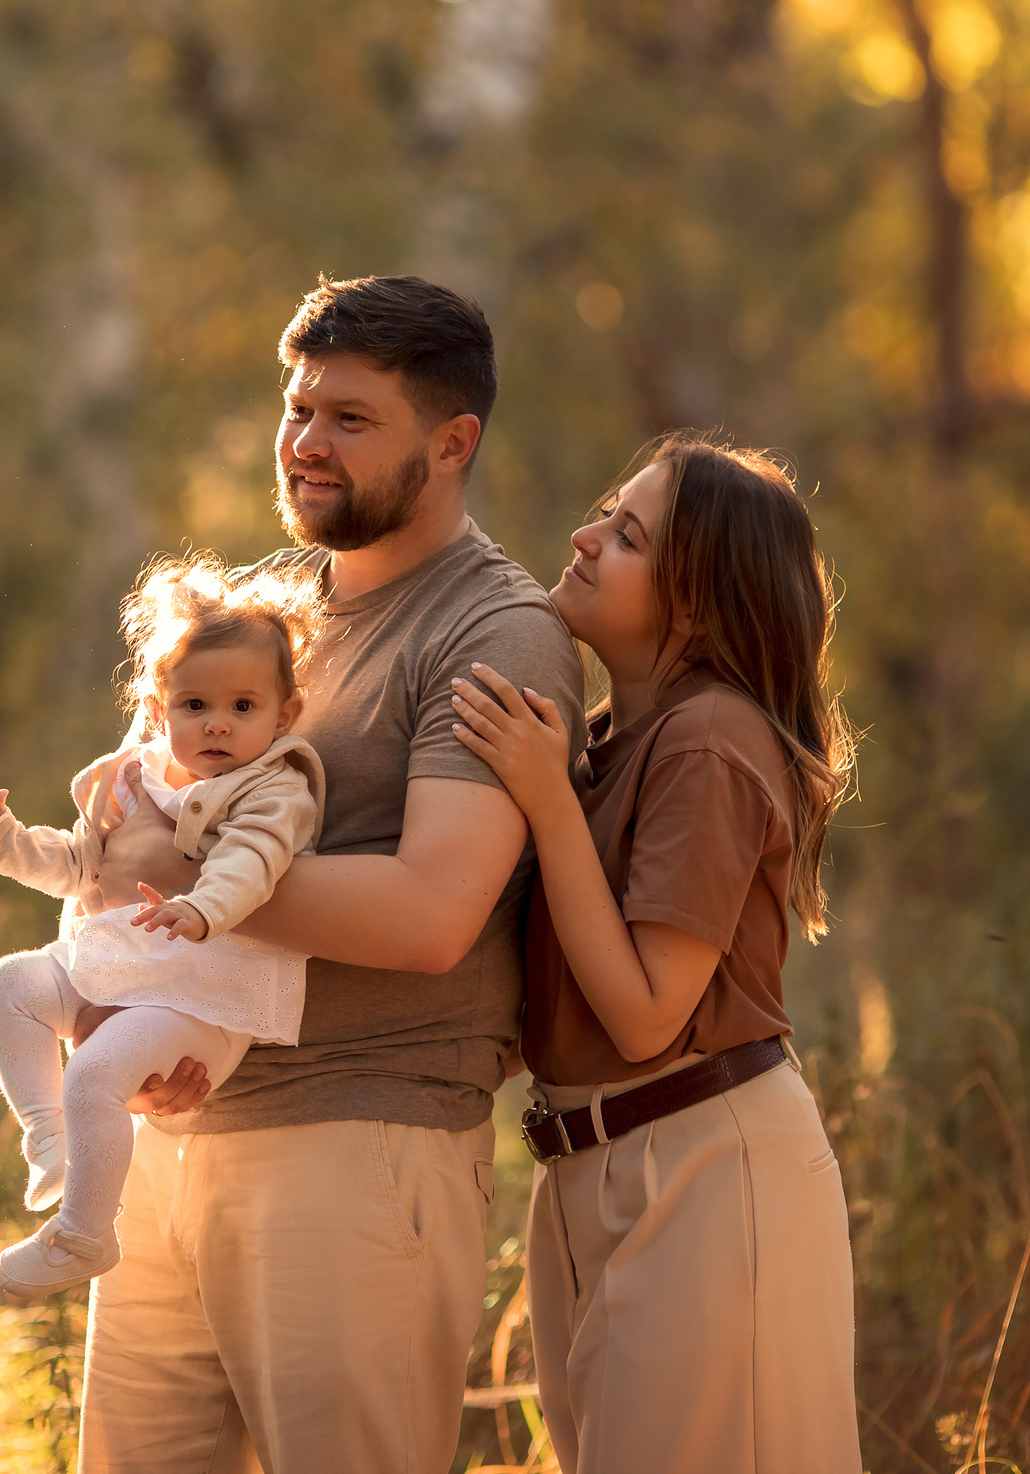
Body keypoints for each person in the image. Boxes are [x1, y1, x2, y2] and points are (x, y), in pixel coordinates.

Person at [79, 275, 586, 1474]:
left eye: (349, 418)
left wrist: (170, 853)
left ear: (452, 442)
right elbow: (147, 810)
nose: (304, 443)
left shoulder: (492, 632)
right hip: (172, 1133)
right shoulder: (265, 614)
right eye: (297, 408)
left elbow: (428, 914)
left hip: (358, 1143)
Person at [447, 431, 861, 1473]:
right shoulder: (596, 741)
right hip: (587, 1169)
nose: (584, 537)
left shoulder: (710, 739)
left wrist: (546, 800)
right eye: (604, 510)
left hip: (703, 1168)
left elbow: (643, 1012)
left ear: (696, 602)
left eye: (627, 534)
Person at [0, 557, 326, 1299]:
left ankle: (84, 1234)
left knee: (95, 1073)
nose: (217, 722)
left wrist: (204, 906)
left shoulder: (273, 787)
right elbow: (75, 866)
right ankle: (50, 1138)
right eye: (195, 704)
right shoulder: (133, 779)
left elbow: (255, 859)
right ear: (158, 707)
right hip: (120, 969)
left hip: (197, 995)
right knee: (10, 984)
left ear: (286, 714)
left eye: (244, 706)